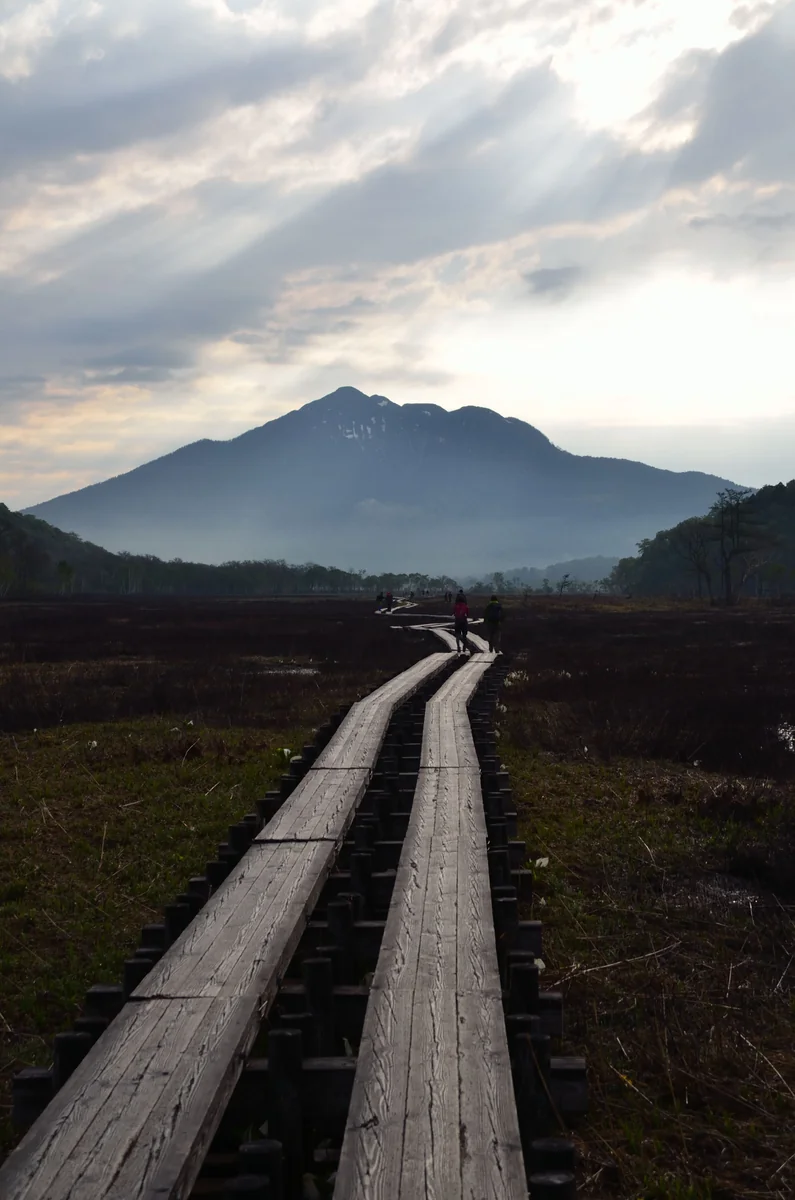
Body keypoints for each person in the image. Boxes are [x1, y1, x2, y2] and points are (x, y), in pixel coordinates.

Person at [453, 589, 469, 653]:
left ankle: (458, 647)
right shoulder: (465, 606)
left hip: (457, 621)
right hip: (464, 621)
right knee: (464, 635)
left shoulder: (455, 606)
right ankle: (464, 647)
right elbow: (467, 614)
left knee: (457, 635)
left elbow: (454, 613)